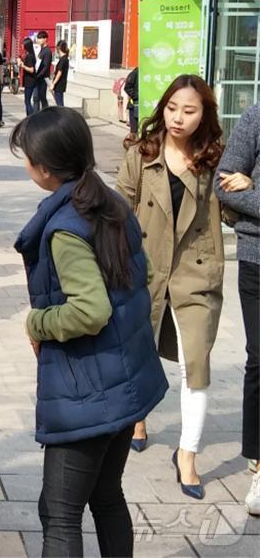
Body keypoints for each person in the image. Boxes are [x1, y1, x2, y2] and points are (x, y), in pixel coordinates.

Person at [12, 106, 168, 557]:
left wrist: (37, 322)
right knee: (106, 496)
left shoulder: (65, 227)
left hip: (89, 392)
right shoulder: (110, 200)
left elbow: (91, 310)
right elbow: (148, 272)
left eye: (27, 157)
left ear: (44, 168)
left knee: (58, 514)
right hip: (126, 380)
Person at [116, 74, 231, 499]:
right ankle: (139, 416)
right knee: (138, 348)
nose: (179, 118)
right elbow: (121, 210)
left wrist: (242, 187)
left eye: (190, 110)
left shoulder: (216, 158)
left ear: (205, 116)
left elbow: (232, 215)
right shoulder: (141, 153)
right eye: (172, 108)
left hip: (196, 272)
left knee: (195, 363)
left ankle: (188, 454)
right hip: (145, 267)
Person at [213, 104, 260, 514]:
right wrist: (243, 189)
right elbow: (223, 183)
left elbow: (244, 192)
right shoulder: (257, 117)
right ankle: (259, 462)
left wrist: (255, 192)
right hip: (257, 258)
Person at [34, 30, 53, 111]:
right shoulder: (41, 50)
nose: (38, 40)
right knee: (36, 98)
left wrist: (38, 75)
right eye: (38, 38)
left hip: (43, 78)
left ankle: (46, 115)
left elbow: (45, 67)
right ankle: (35, 116)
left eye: (40, 38)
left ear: (45, 39)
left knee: (42, 97)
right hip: (38, 77)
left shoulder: (47, 51)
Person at [18, 38, 37, 117]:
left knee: (27, 101)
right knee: (27, 100)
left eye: (23, 44)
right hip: (29, 80)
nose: (22, 45)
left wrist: (22, 65)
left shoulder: (29, 56)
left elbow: (32, 69)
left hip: (30, 80)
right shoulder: (30, 54)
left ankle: (30, 116)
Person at [51, 40, 70, 107]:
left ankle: (62, 116)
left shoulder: (63, 60)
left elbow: (59, 73)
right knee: (59, 101)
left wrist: (53, 83)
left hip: (59, 84)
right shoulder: (65, 59)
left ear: (59, 48)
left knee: (59, 103)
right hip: (61, 84)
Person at [123, 67, 140, 134]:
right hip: (135, 106)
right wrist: (137, 96)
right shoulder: (136, 72)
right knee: (134, 132)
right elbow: (127, 87)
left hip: (148, 107)